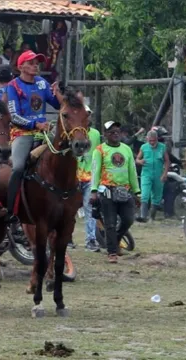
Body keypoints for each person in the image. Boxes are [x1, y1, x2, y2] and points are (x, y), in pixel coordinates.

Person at [5, 50, 61, 223]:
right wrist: (34, 124)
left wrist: (57, 92)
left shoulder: (42, 83)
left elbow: (58, 105)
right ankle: (10, 211)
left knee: (63, 156)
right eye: (31, 63)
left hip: (44, 133)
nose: (35, 65)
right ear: (21, 66)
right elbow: (13, 116)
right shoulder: (13, 86)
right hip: (22, 133)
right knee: (18, 167)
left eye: (37, 63)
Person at [91, 121, 141, 264]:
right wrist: (94, 191)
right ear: (105, 134)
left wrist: (137, 192)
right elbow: (95, 171)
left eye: (117, 131)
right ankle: (112, 252)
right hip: (107, 191)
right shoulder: (99, 150)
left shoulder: (126, 149)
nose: (115, 134)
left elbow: (132, 171)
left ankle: (116, 240)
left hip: (125, 191)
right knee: (110, 223)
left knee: (128, 219)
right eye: (111, 132)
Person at [75, 104, 101, 252]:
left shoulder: (96, 134)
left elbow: (98, 155)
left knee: (90, 208)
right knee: (70, 209)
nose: (87, 117)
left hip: (90, 176)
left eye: (88, 114)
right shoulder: (72, 133)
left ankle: (90, 240)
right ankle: (68, 238)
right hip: (74, 176)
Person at [135, 130, 170, 222]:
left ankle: (152, 217)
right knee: (145, 195)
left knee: (157, 196)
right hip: (146, 174)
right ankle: (143, 217)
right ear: (147, 139)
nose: (152, 143)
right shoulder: (143, 147)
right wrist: (140, 161)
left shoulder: (162, 147)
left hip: (159, 175)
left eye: (154, 140)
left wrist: (165, 173)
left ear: (157, 139)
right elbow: (137, 159)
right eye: (150, 141)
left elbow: (167, 161)